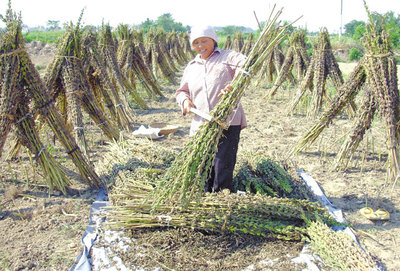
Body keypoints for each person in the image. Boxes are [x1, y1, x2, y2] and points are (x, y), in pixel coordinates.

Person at [175, 25, 247, 193]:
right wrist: (185, 101)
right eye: (196, 43)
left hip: (227, 121)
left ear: (213, 40)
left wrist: (233, 86)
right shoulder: (192, 66)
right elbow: (181, 91)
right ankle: (206, 200)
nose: (200, 46)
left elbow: (246, 67)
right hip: (201, 123)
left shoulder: (228, 57)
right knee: (203, 166)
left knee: (222, 166)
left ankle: (222, 200)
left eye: (204, 41)